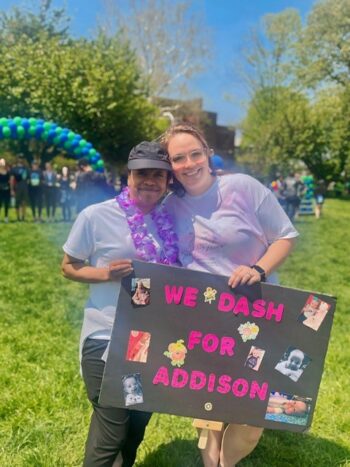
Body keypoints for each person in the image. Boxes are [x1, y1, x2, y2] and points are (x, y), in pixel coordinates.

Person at [161, 123, 298, 467]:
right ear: (170, 166)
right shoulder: (169, 207)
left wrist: (258, 270)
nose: (189, 163)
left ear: (207, 154)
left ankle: (227, 462)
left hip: (257, 314)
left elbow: (284, 236)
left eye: (195, 153)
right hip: (202, 321)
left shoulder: (242, 188)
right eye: (179, 158)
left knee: (252, 413)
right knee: (209, 410)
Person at [61, 141, 177, 467]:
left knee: (135, 427)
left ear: (168, 181)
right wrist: (105, 273)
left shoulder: (172, 225)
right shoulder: (95, 216)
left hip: (150, 343)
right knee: (112, 429)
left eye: (159, 174)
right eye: (143, 173)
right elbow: (68, 265)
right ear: (129, 176)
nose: (150, 181)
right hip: (105, 339)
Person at [10, 155, 29, 221]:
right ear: (17, 159)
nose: (20, 159)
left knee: (24, 202)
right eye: (19, 158)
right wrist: (12, 189)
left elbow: (28, 178)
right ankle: (18, 217)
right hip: (17, 186)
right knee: (17, 202)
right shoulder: (14, 169)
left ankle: (23, 217)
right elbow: (12, 179)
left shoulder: (26, 168)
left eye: (22, 158)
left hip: (25, 186)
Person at [0, 158, 11, 223]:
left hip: (7, 190)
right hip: (0, 190)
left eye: (3, 164)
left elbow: (10, 180)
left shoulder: (8, 172)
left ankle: (6, 217)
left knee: (6, 204)